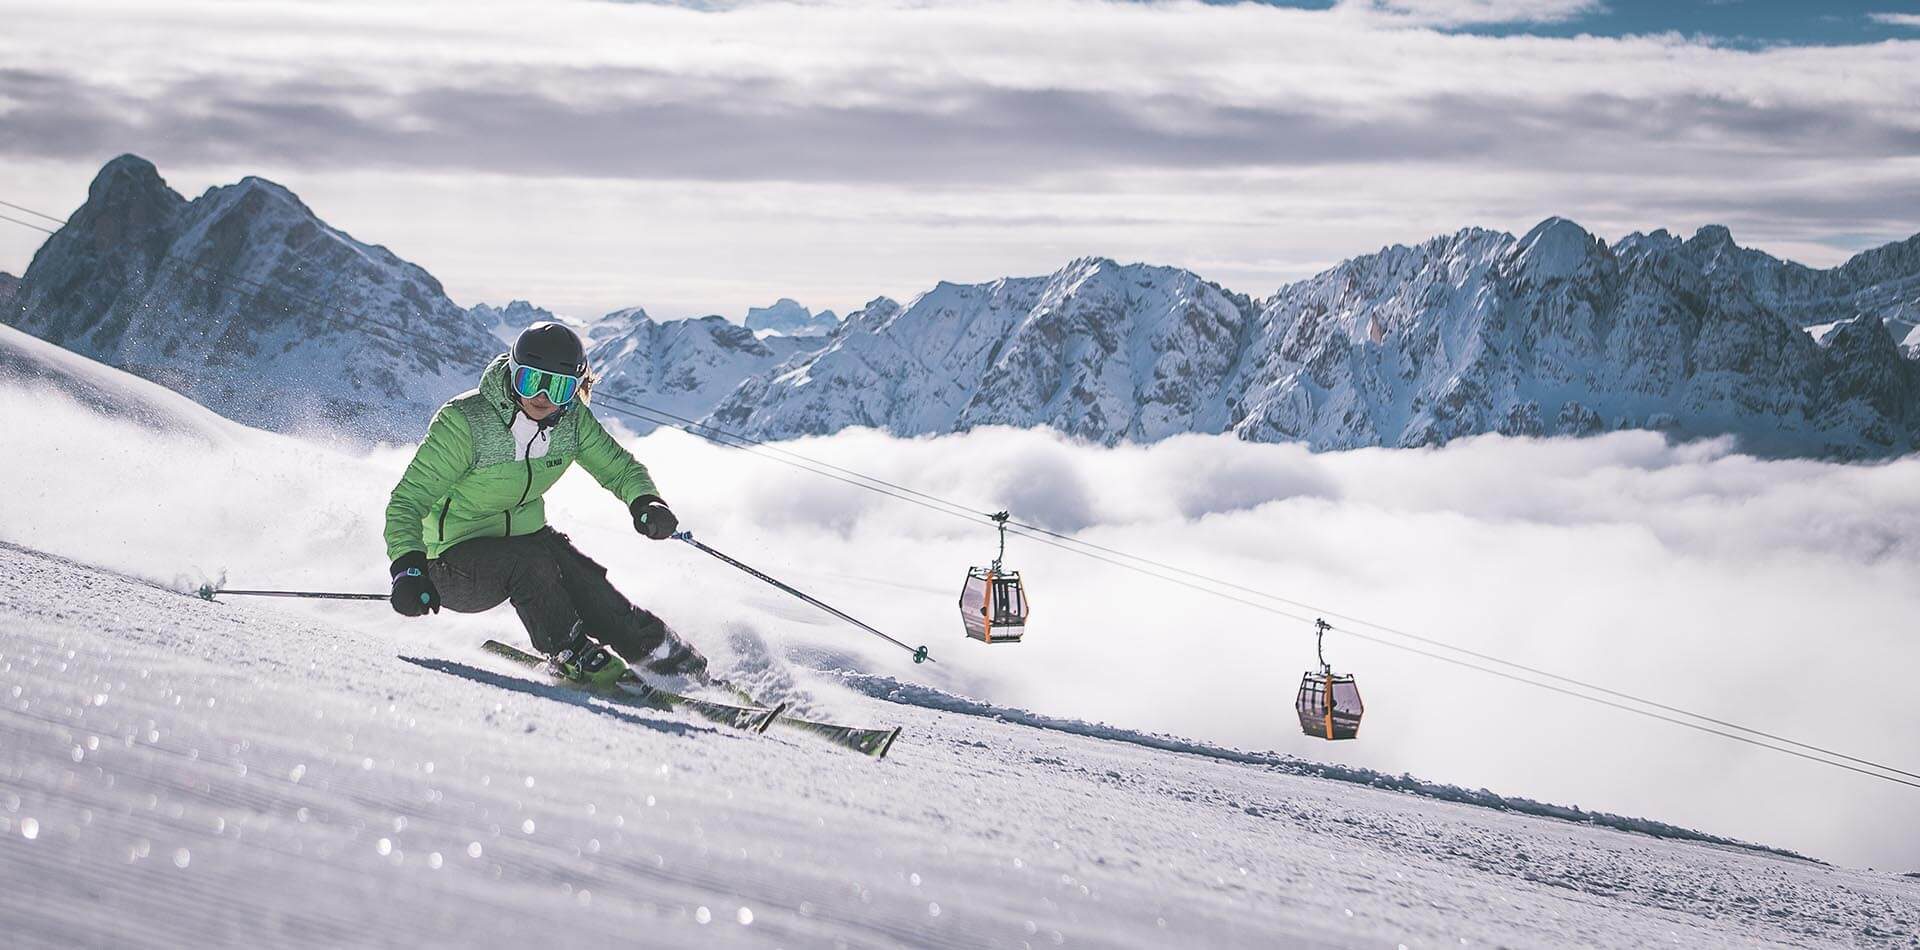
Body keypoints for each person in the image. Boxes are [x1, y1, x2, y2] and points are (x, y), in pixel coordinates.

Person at [382, 321, 707, 686]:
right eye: (530, 381)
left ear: (575, 388)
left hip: (525, 540)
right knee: (530, 563)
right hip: (446, 565)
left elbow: (619, 468)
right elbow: (407, 501)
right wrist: (408, 569)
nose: (542, 396)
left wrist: (646, 501)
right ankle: (570, 654)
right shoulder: (465, 423)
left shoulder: (571, 422)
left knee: (588, 584)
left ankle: (673, 663)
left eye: (558, 386)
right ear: (511, 373)